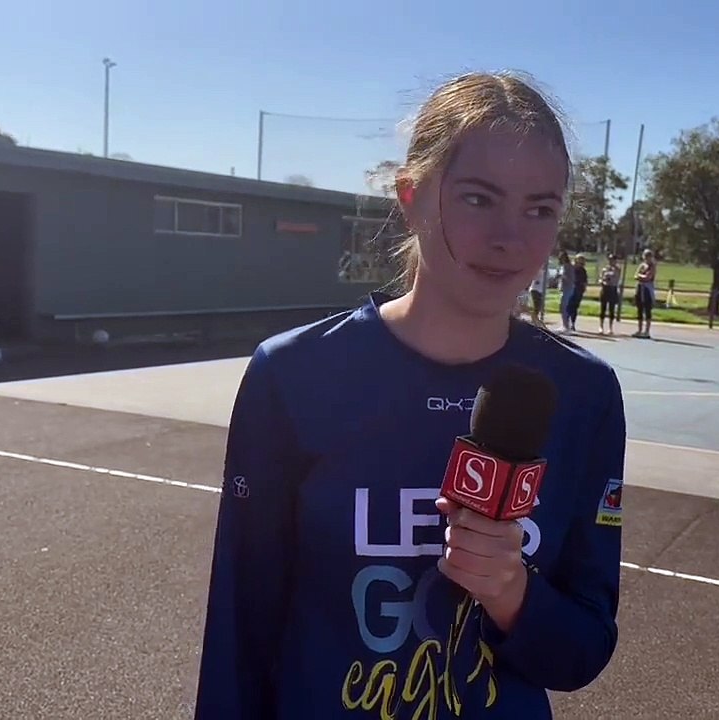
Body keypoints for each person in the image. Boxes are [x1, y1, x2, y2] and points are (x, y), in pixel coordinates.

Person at [194, 70, 626, 720]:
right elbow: (240, 631)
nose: (511, 238)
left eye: (541, 208)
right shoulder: (295, 374)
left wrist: (511, 591)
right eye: (479, 199)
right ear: (411, 196)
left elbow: (582, 650)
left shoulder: (584, 393)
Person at [632, 248, 657, 339]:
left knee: (647, 309)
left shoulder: (652, 266)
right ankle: (639, 330)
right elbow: (635, 275)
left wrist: (640, 276)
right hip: (640, 287)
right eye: (645, 256)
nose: (647, 258)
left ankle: (647, 331)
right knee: (639, 309)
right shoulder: (642, 265)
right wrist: (640, 276)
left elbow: (648, 277)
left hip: (647, 289)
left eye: (649, 256)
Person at [598, 255, 621, 334]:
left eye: (613, 260)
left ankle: (610, 328)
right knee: (603, 308)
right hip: (605, 289)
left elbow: (614, 276)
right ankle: (601, 327)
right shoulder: (605, 269)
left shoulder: (617, 269)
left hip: (613, 289)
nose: (611, 262)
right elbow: (601, 278)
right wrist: (601, 281)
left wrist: (607, 276)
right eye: (610, 260)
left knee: (611, 309)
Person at [565, 253, 588, 332]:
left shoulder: (583, 270)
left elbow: (584, 281)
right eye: (579, 259)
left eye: (582, 260)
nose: (581, 262)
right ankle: (566, 323)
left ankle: (572, 324)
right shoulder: (571, 268)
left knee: (574, 307)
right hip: (570, 289)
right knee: (568, 306)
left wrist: (583, 289)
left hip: (578, 290)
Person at [555, 249, 575, 331]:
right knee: (563, 306)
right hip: (563, 288)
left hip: (568, 288)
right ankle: (565, 324)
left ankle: (566, 326)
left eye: (563, 257)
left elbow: (570, 278)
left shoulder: (568, 266)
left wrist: (562, 276)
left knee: (563, 306)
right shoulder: (562, 266)